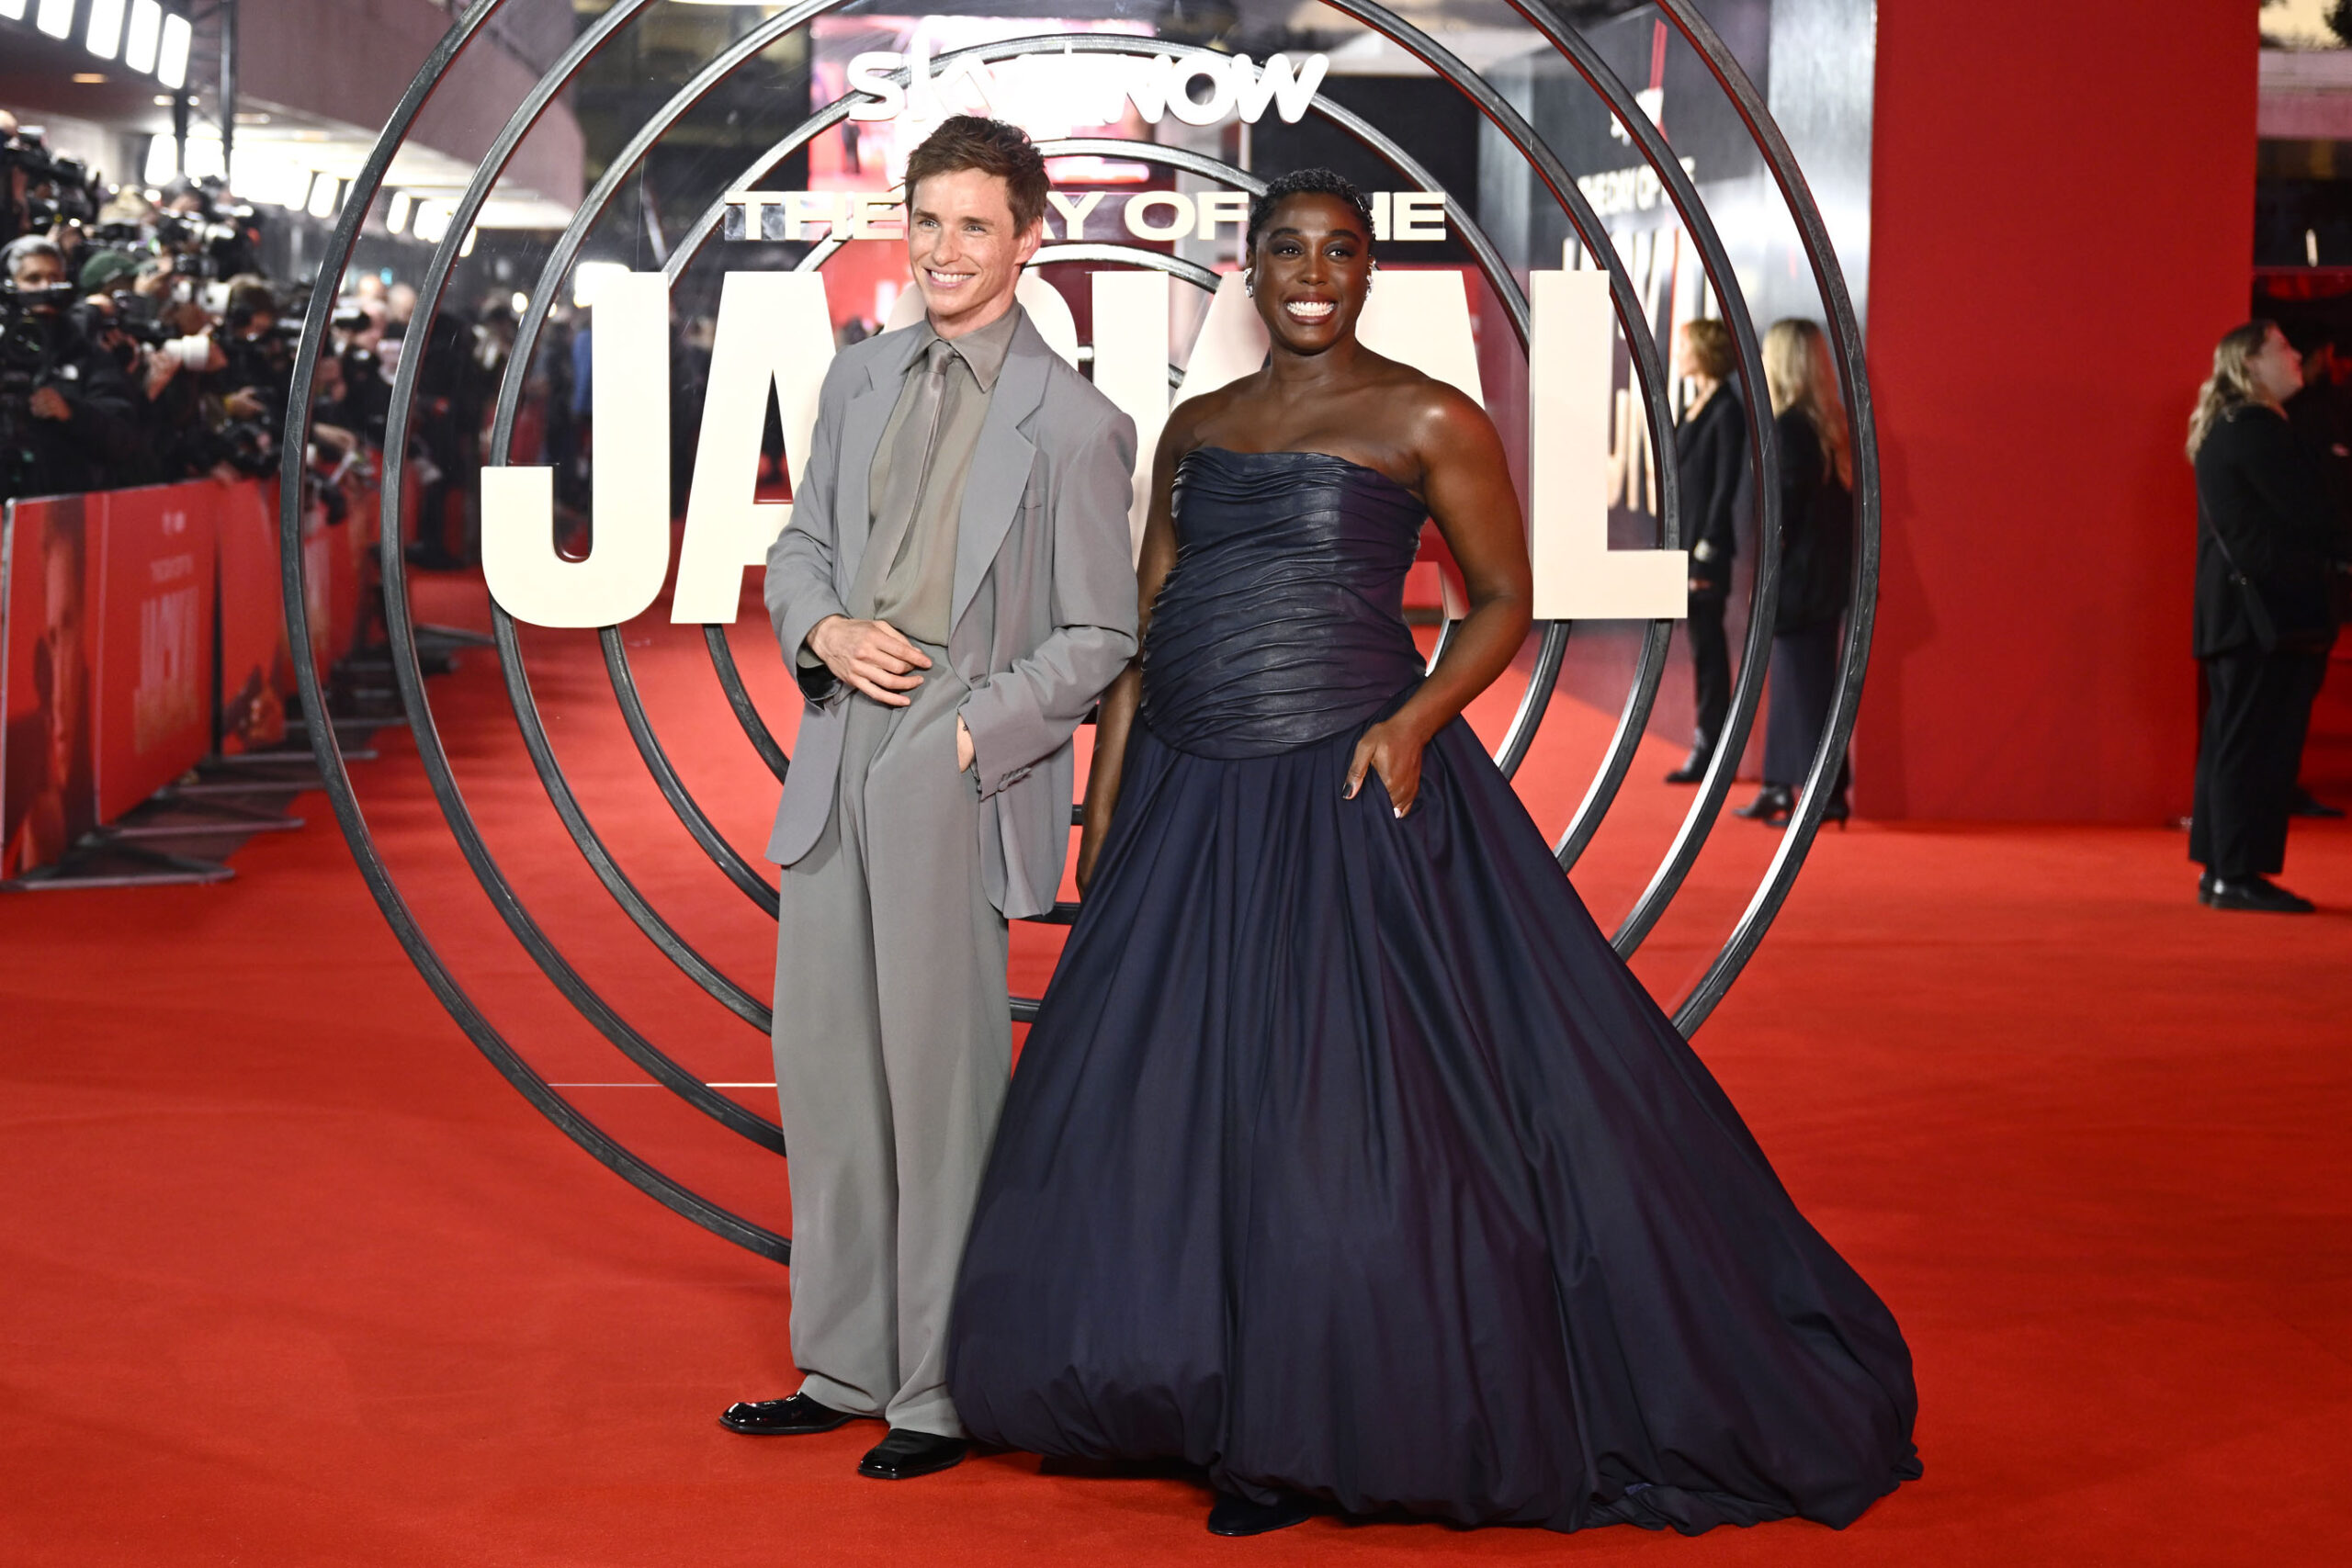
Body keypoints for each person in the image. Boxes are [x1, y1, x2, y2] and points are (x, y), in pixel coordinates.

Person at [944, 170, 1920, 1539]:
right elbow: (1145, 629)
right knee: (1174, 1102)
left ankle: (1315, 1408)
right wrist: (1105, 821)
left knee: (1334, 1114)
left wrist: (1414, 720)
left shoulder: (1428, 415)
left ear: (1367, 271)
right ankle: (1202, 1385)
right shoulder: (1200, 425)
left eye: (1338, 251)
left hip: (1348, 786)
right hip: (1187, 791)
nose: (1311, 272)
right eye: (1285, 248)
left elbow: (1506, 597)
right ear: (1249, 264)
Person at [720, 117, 1139, 1483]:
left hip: (954, 779)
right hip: (835, 757)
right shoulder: (855, 383)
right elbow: (801, 548)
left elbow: (1099, 632)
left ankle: (939, 1387)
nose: (945, 248)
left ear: (1030, 237)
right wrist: (823, 633)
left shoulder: (1078, 426)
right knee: (832, 1078)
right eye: (927, 218)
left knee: (941, 1092)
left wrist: (975, 736)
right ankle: (842, 1363)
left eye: (975, 224)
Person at [2187, 320, 2346, 913]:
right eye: (2282, 347)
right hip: (2264, 612)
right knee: (2256, 745)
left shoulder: (2228, 428)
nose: (2298, 355)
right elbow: (2313, 513)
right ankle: (2235, 872)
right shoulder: (2255, 429)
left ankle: (2223, 871)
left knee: (2234, 741)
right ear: (2250, 364)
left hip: (2241, 611)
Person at [1736, 318, 1855, 827]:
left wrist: (1765, 580)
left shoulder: (1791, 430)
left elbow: (1782, 515)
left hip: (1799, 582)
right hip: (1821, 581)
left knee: (1804, 687)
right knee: (1794, 684)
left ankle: (1823, 795)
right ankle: (1780, 784)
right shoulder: (1825, 427)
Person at [1666, 315, 1746, 783]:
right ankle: (1708, 743)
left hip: (1705, 552)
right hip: (1687, 546)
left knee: (1709, 649)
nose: (1678, 353)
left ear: (1705, 351)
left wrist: (1706, 549)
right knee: (1701, 646)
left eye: (1685, 345)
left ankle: (1712, 747)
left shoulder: (1726, 410)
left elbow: (1723, 486)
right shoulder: (1698, 404)